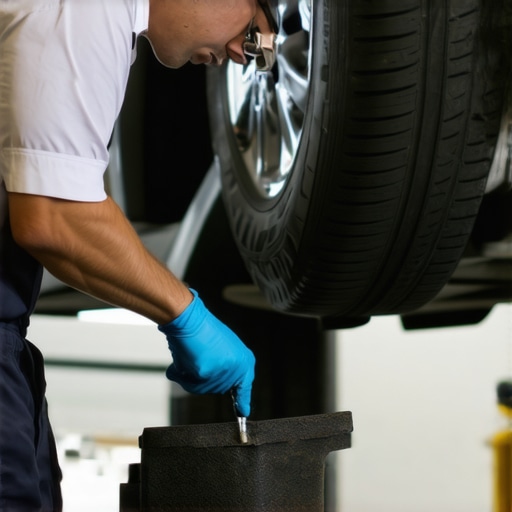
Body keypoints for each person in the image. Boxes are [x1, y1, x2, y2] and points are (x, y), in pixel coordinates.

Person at [0, 0, 274, 509]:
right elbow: (54, 218)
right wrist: (185, 313)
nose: (243, 53)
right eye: (255, 26)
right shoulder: (89, 10)